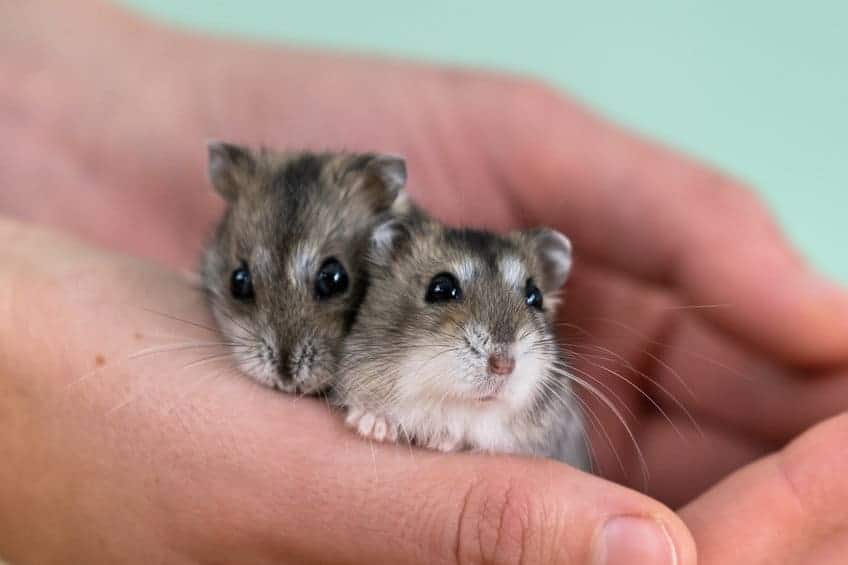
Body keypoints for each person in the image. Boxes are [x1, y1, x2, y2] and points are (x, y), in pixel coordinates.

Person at [2, 1, 847, 563]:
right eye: (246, 287)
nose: (293, 346)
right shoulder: (374, 322)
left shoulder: (501, 349)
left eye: (332, 280)